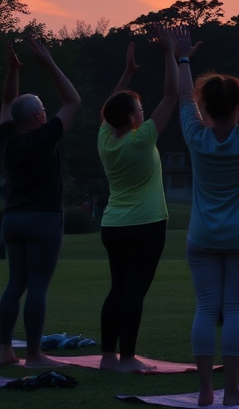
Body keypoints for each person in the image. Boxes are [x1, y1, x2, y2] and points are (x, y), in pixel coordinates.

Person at [175, 16, 239, 406]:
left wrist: (182, 59)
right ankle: (230, 391)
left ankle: (204, 392)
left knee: (205, 308)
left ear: (205, 106)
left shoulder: (195, 136)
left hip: (203, 235)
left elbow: (183, 99)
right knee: (233, 309)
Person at [97, 29, 177, 372]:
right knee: (134, 292)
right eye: (140, 109)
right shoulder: (141, 139)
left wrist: (128, 74)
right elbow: (172, 95)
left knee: (117, 289)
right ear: (132, 118)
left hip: (113, 225)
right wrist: (169, 53)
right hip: (146, 224)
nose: (144, 112)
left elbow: (111, 105)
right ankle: (128, 359)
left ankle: (107, 356)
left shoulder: (106, 138)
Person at [0, 40, 82, 368]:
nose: (48, 113)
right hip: (43, 220)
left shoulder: (7, 136)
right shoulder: (44, 136)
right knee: (37, 286)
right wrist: (49, 64)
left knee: (14, 284)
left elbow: (7, 101)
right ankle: (34, 354)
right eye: (43, 110)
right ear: (37, 116)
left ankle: (4, 351)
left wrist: (13, 71)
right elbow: (73, 100)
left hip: (13, 219)